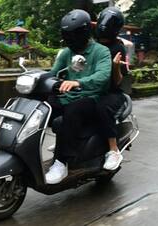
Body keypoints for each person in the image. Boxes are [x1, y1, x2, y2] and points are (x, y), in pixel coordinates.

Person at [45, 9, 112, 184]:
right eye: (67, 35)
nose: (70, 39)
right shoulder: (66, 53)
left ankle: (61, 162)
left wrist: (78, 82)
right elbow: (53, 73)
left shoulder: (101, 51)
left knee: (73, 111)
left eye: (73, 35)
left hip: (91, 99)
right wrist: (35, 78)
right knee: (45, 105)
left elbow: (103, 76)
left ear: (84, 32)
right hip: (68, 97)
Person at [95, 7, 131, 170]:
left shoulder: (118, 48)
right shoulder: (93, 44)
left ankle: (113, 149)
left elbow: (118, 81)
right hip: (93, 89)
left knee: (102, 106)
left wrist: (115, 66)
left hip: (113, 92)